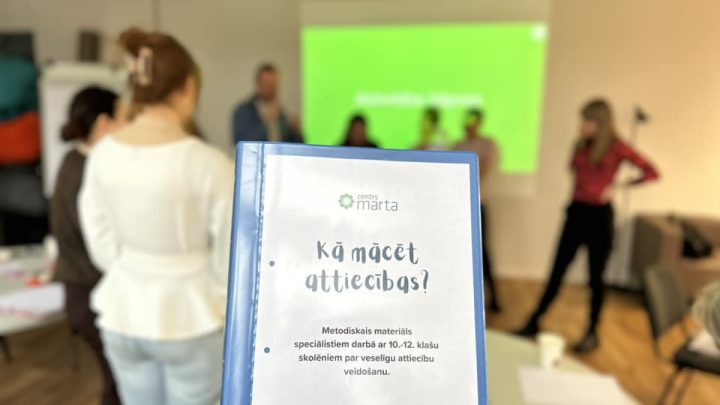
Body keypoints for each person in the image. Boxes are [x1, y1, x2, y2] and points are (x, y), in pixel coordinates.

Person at [79, 28, 233, 405]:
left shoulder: (102, 155)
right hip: (192, 315)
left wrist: (132, 267)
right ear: (188, 87)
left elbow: (97, 232)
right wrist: (217, 293)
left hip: (123, 311)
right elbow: (232, 248)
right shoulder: (210, 164)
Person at [516, 98, 659, 353]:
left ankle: (592, 331)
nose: (583, 125)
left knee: (596, 278)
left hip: (599, 218)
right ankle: (534, 320)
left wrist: (619, 186)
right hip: (576, 214)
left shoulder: (617, 147)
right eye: (583, 120)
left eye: (588, 120)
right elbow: (577, 176)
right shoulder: (581, 145)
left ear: (600, 123)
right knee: (557, 271)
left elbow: (651, 172)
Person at [51, 86, 124, 405]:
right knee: (119, 386)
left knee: (117, 383)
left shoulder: (73, 161)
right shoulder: (87, 171)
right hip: (90, 294)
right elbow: (101, 240)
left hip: (82, 291)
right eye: (123, 118)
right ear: (104, 122)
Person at [454, 108, 501, 312]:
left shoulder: (488, 144)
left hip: (478, 203)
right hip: (460, 204)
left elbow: (483, 169)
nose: (469, 124)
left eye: (473, 120)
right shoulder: (458, 145)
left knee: (482, 251)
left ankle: (494, 298)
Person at [232, 63, 302, 144]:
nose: (271, 88)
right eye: (267, 83)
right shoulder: (244, 110)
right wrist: (267, 122)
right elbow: (240, 141)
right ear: (258, 84)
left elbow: (290, 143)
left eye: (274, 84)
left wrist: (295, 132)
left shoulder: (281, 112)